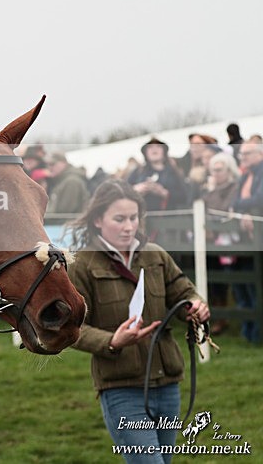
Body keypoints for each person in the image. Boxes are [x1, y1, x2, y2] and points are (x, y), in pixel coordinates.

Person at [66, 179, 209, 464]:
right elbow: (70, 328)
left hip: (167, 383)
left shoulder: (156, 255)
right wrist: (111, 341)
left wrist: (194, 307)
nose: (129, 226)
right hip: (121, 388)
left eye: (134, 218)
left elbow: (184, 292)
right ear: (97, 220)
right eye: (119, 219)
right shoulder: (81, 265)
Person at [202, 152, 241, 335]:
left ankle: (238, 321)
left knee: (232, 282)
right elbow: (201, 207)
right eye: (213, 170)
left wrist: (212, 192)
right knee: (213, 282)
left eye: (219, 170)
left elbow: (221, 209)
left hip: (230, 243)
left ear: (229, 170)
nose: (216, 173)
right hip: (210, 242)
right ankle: (218, 317)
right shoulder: (210, 189)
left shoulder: (234, 187)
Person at [229, 140, 263, 342]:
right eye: (241, 154)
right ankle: (251, 333)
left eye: (247, 153)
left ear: (260, 154)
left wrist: (243, 208)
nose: (243, 157)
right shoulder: (245, 175)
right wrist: (244, 210)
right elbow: (234, 202)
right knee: (246, 285)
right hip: (248, 239)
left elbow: (259, 199)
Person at [126, 137, 189, 212]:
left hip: (169, 216)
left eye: (158, 146)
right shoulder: (138, 172)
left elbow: (185, 196)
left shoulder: (174, 172)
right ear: (145, 152)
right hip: (143, 216)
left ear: (164, 151)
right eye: (150, 147)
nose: (154, 149)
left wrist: (164, 193)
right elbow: (124, 192)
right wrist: (135, 190)